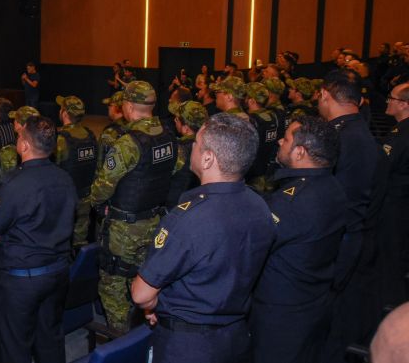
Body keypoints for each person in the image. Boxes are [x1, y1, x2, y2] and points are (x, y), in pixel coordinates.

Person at [131, 113, 276, 363]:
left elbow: (141, 293)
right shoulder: (260, 206)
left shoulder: (188, 219)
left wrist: (154, 303)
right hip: (236, 337)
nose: (192, 148)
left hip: (188, 347)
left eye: (196, 144)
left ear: (208, 158)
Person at [81, 80, 176, 334]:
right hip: (155, 224)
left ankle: (122, 345)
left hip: (124, 230)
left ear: (129, 106)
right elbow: (174, 171)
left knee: (113, 290)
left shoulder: (128, 143)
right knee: (146, 282)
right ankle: (146, 337)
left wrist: (97, 205)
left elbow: (102, 187)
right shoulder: (168, 136)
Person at [250, 116, 347, 363]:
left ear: (300, 152)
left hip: (280, 316)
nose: (281, 140)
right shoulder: (334, 187)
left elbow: (252, 250)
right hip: (314, 302)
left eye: (287, 138)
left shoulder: (291, 202)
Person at [0, 115, 77, 363]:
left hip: (21, 281)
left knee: (13, 346)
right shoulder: (65, 178)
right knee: (50, 341)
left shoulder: (13, 184)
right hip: (58, 274)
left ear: (24, 145)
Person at [319, 69, 386, 363]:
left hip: (342, 237)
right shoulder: (359, 130)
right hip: (354, 232)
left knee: (334, 318)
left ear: (325, 96)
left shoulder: (345, 137)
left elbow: (337, 197)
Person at [378, 82, 409, 305]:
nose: (388, 101)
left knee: (390, 258)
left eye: (392, 98)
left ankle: (390, 306)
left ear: (405, 104)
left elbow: (383, 168)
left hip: (394, 204)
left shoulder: (401, 133)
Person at [56, 95, 98, 246]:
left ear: (65, 113)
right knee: (80, 239)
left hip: (65, 200)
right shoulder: (91, 135)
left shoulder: (60, 139)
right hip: (86, 197)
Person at [165, 101, 207, 210]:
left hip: (177, 207)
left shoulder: (179, 149)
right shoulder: (210, 145)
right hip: (200, 204)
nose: (174, 121)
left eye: (177, 119)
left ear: (186, 128)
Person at [244, 82, 279, 191]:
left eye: (246, 97)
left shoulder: (251, 120)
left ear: (251, 101)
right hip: (268, 173)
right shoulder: (273, 116)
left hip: (253, 177)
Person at [97, 91, 126, 169]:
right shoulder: (133, 126)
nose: (108, 108)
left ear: (115, 107)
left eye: (109, 106)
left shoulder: (110, 133)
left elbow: (101, 164)